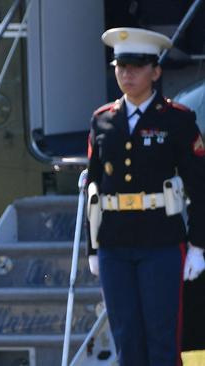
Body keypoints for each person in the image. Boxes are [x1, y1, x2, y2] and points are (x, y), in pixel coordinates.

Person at [86, 27, 205, 364]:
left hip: (161, 244)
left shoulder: (178, 121)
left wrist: (199, 244)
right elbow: (93, 189)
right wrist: (92, 247)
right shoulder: (102, 121)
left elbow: (199, 185)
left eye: (137, 66)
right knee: (126, 339)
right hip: (114, 245)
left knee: (162, 339)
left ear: (155, 71)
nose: (127, 74)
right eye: (121, 67)